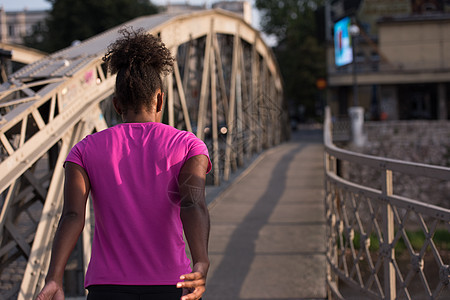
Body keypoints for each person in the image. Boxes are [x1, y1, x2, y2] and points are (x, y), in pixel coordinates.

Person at [36, 28, 211, 300]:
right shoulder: (189, 146)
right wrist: (201, 261)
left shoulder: (84, 150)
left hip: (106, 288)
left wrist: (54, 277)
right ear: (160, 98)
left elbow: (72, 216)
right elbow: (193, 203)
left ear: (117, 105)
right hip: (171, 285)